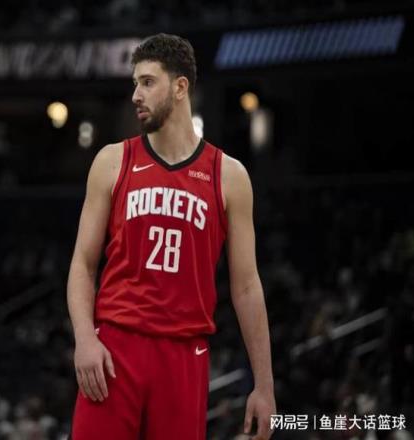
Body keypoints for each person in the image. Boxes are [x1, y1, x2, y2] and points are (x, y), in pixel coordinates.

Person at [67, 33, 276, 439]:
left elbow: (247, 286)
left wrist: (264, 386)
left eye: (148, 82)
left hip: (184, 354)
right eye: (135, 83)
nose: (136, 95)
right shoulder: (112, 161)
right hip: (114, 349)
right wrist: (85, 339)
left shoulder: (229, 176)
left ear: (180, 88)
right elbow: (83, 264)